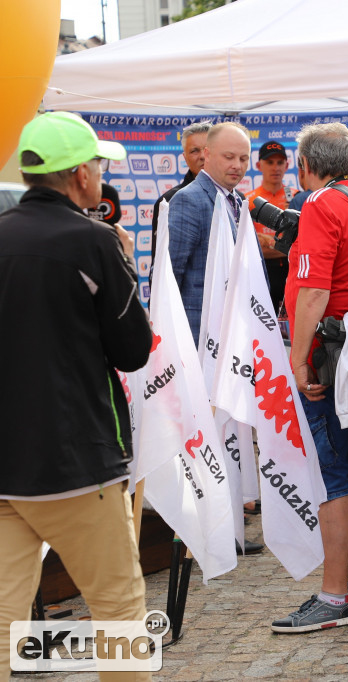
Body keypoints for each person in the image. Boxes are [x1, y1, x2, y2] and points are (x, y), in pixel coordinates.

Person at [0, 112, 152, 680]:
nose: (101, 172)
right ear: (80, 174)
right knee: (118, 611)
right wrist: (125, 270)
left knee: (2, 619)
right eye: (98, 163)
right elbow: (132, 349)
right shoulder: (93, 239)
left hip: (7, 464)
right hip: (76, 460)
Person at [271, 122, 348, 633]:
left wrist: (298, 360)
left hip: (331, 355)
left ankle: (333, 596)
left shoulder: (321, 205)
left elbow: (313, 291)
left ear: (305, 166)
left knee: (333, 477)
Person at [168, 121, 251, 346]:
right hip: (198, 336)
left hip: (235, 333)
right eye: (229, 157)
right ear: (208, 154)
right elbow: (169, 274)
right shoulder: (189, 200)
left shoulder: (239, 200)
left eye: (244, 159)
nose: (237, 165)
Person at [151, 120, 212, 275]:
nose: (202, 157)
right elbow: (161, 265)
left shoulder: (236, 198)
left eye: (207, 149)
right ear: (185, 157)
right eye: (194, 151)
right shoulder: (169, 201)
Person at [247, 140, 295, 314]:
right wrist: (286, 245)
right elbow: (251, 247)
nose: (275, 167)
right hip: (261, 272)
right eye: (269, 162)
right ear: (259, 165)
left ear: (287, 165)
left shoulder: (295, 197)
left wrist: (268, 242)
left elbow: (301, 245)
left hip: (292, 272)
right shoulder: (249, 200)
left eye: (280, 162)